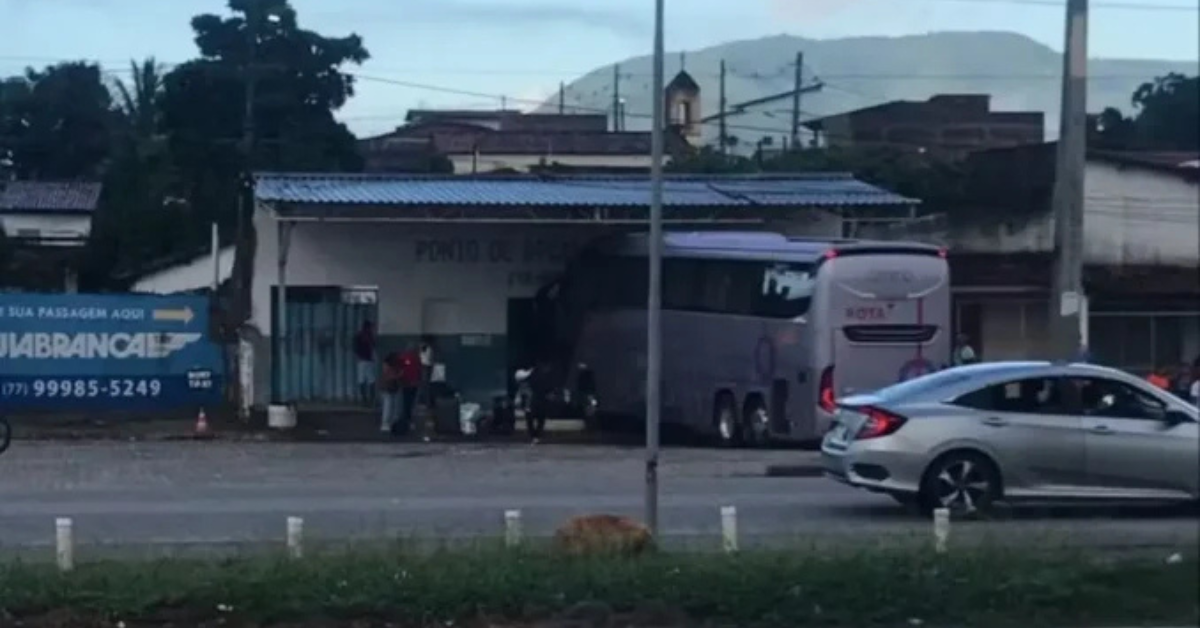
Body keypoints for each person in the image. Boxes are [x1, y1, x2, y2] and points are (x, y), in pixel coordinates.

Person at [396, 343, 422, 436]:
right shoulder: (416, 359)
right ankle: (408, 421)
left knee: (406, 403)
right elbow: (419, 371)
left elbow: (401, 371)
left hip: (406, 384)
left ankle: (406, 421)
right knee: (410, 403)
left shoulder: (404, 358)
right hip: (412, 384)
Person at [353, 321, 376, 405]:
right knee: (371, 380)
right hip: (368, 360)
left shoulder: (358, 335)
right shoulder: (369, 336)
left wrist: (358, 356)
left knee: (362, 380)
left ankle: (364, 400)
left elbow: (355, 348)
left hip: (361, 360)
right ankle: (371, 399)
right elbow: (374, 345)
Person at [379, 350, 402, 433]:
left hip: (389, 387)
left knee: (390, 406)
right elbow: (391, 377)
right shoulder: (390, 366)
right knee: (388, 406)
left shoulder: (389, 365)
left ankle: (389, 423)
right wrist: (399, 375)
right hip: (388, 387)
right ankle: (386, 423)